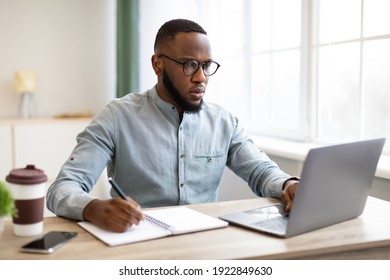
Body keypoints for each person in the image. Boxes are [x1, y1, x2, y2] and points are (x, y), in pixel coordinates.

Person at [46, 19, 300, 233]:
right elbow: (62, 188)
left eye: (206, 66)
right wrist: (92, 208)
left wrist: (288, 184)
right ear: (158, 64)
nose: (200, 77)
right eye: (189, 64)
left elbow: (261, 171)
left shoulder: (223, 122)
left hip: (205, 244)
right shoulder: (116, 117)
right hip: (138, 243)